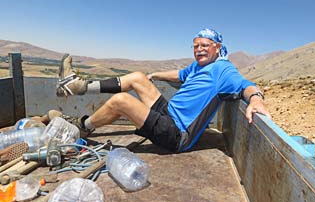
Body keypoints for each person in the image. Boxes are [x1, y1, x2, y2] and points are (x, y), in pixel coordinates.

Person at [56, 28, 271, 152]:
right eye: (195, 46)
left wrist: (256, 99)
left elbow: (245, 85)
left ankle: (82, 127)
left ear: (217, 47)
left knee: (121, 101)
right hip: (168, 114)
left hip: (176, 134)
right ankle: (78, 86)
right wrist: (154, 75)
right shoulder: (199, 66)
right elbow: (180, 75)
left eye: (205, 45)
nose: (199, 49)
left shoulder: (223, 70)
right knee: (138, 78)